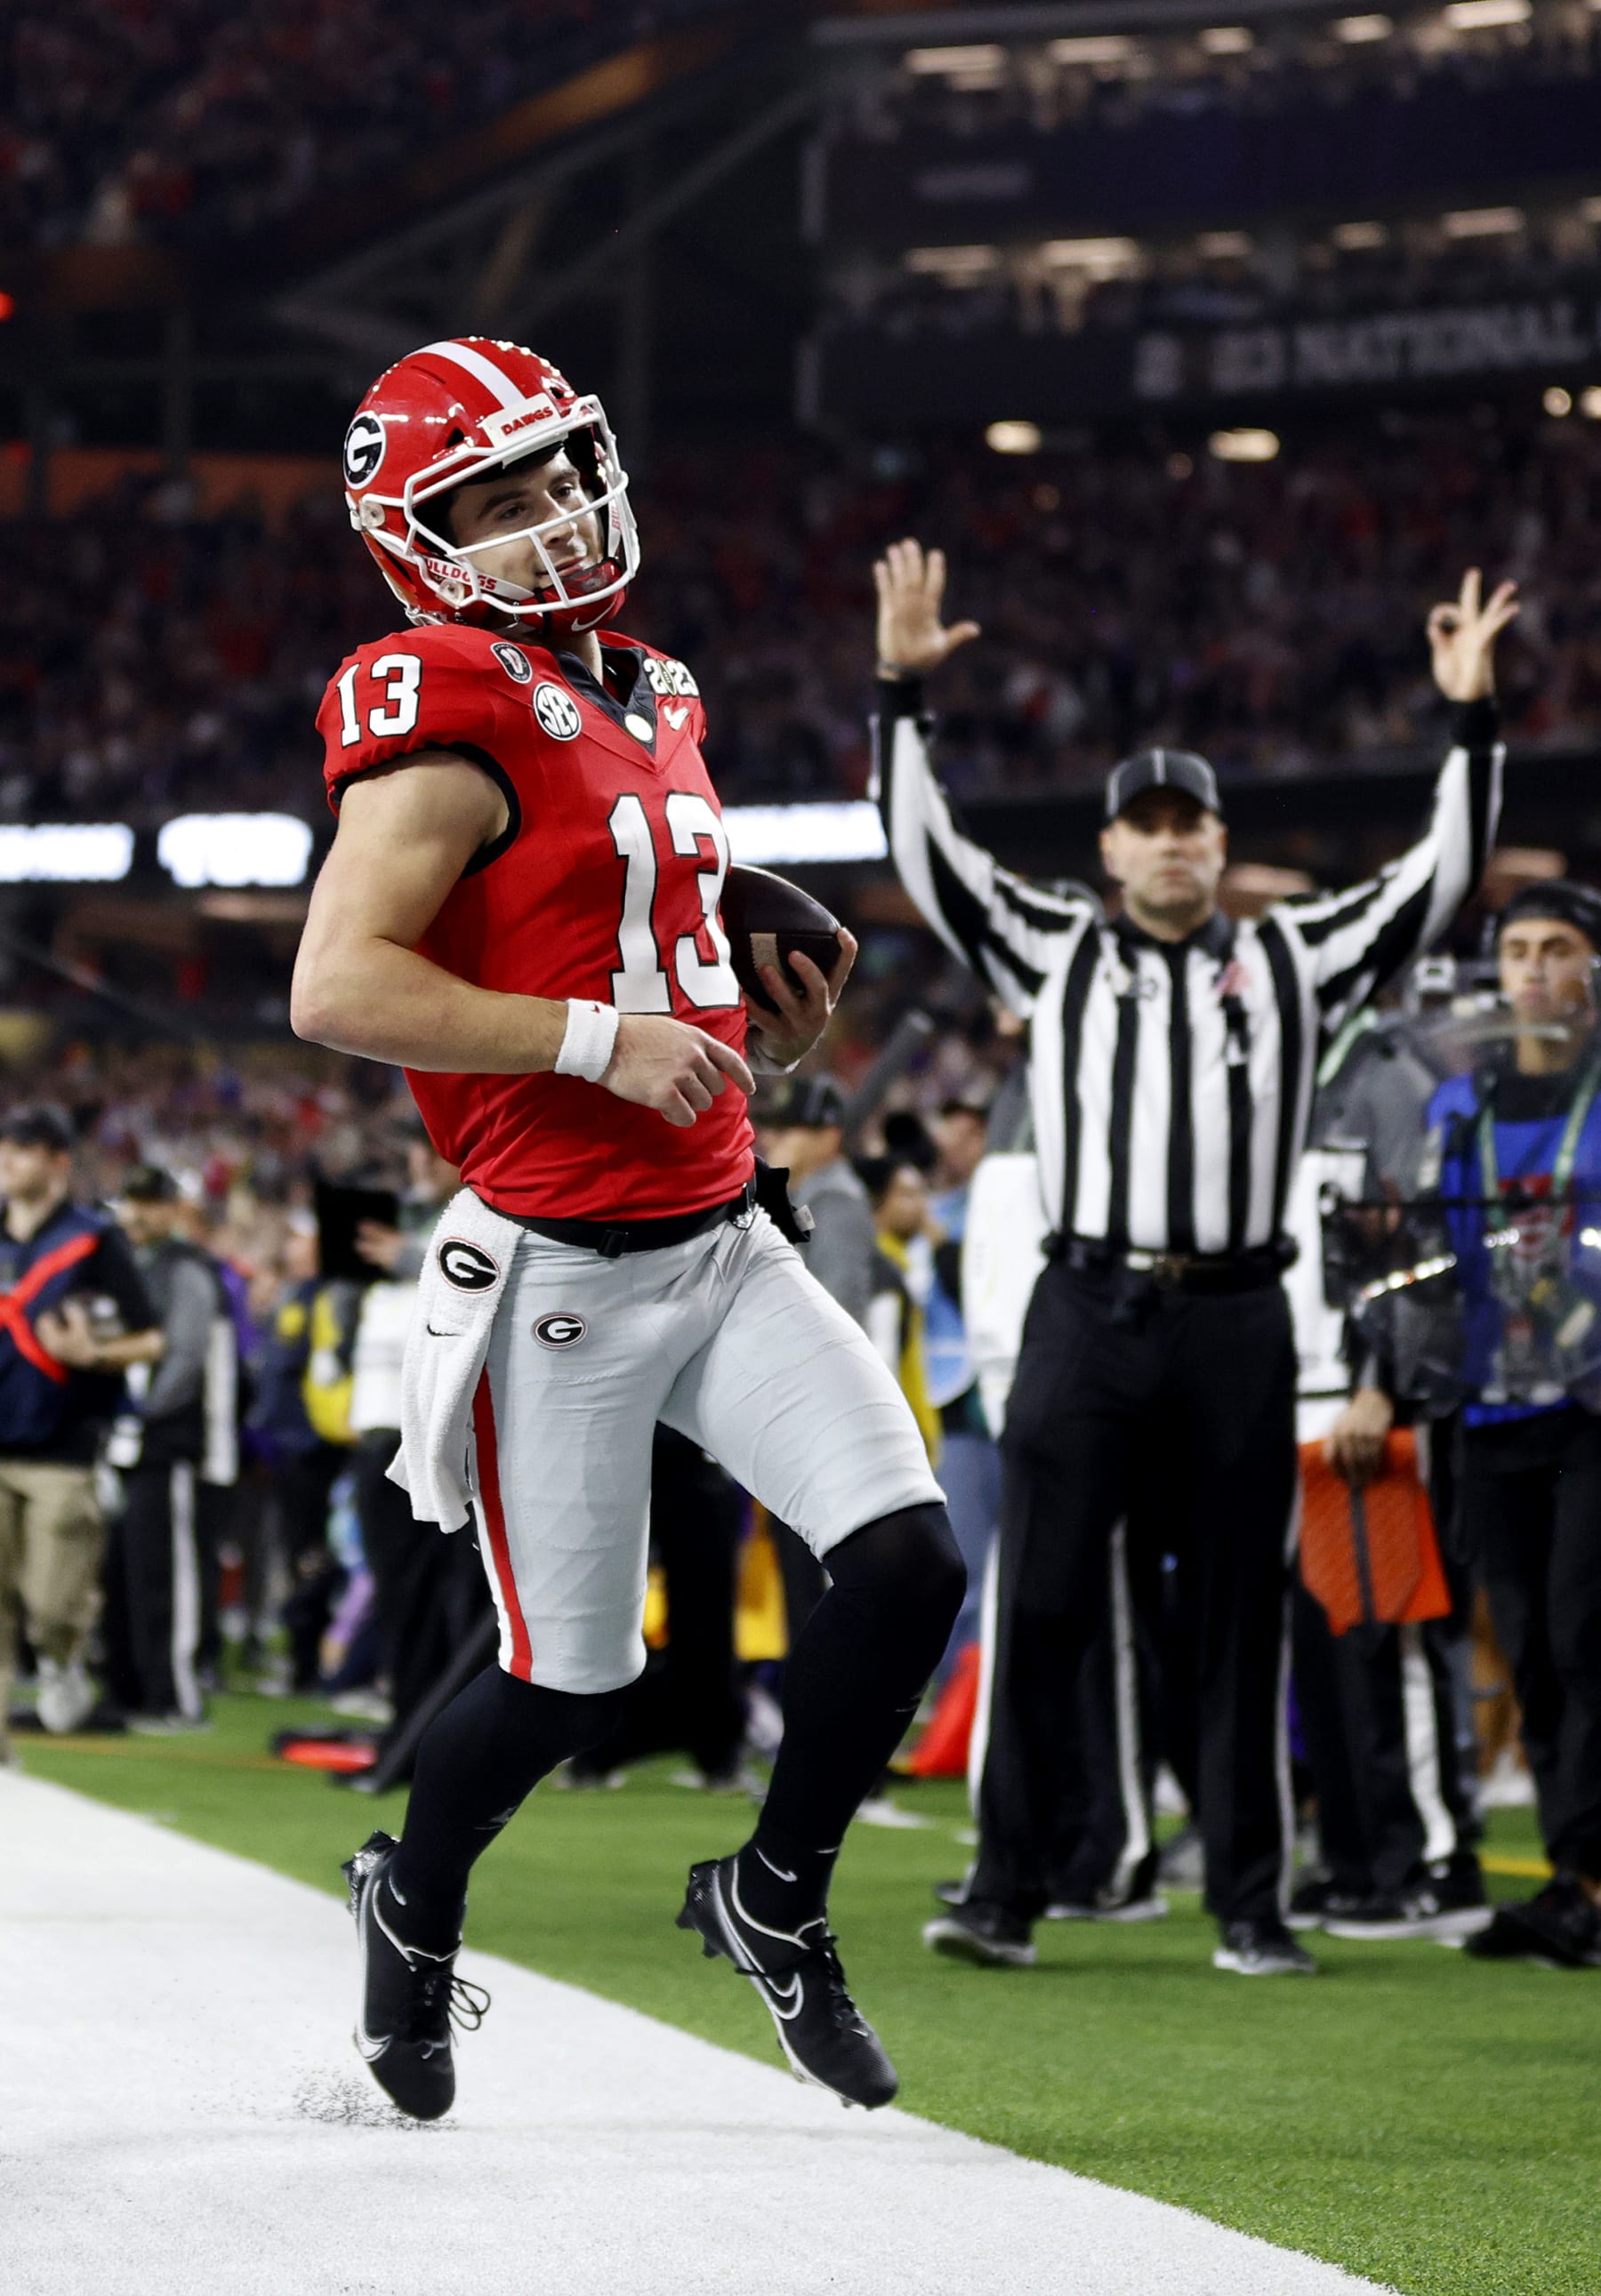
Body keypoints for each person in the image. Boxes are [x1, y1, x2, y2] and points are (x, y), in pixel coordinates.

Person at [292, 336, 961, 2119]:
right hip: (556, 1276)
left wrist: (743, 998)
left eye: (559, 470)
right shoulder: (432, 685)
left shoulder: (648, 681)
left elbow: (617, 910)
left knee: (906, 1560)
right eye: (492, 499)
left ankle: (772, 1896)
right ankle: (413, 1900)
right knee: (572, 1677)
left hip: (724, 1234)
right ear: (413, 539)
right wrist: (600, 1037)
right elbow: (339, 980)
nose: (550, 516)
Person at [873, 540, 1513, 1976]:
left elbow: (1441, 875)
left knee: (1239, 1616)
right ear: (1109, 848)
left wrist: (1470, 717)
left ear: (1220, 847)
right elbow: (930, 856)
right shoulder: (1053, 947)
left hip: (1236, 1317)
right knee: (1037, 1598)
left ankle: (1248, 1900)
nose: (1170, 841)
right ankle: (1009, 1885)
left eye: (1191, 824)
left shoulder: (1295, 955)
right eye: (1145, 824)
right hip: (1087, 1303)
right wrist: (900, 694)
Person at [1420, 883, 1601, 1968]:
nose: (1534, 969)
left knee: (1586, 1636)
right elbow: (1428, 1256)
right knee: (1528, 1649)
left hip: (1591, 1401)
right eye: (1519, 950)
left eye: (1559, 949)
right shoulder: (1463, 1106)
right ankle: (1570, 1876)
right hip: (1488, 1402)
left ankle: (1587, 1878)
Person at [0, 1107, 160, 1756]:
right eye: (6, 1147)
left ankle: (63, 1656)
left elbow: (151, 1337)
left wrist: (93, 1356)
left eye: (25, 1149)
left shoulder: (93, 1240)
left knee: (50, 1601)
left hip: (62, 1446)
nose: (10, 1159)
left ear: (59, 1159)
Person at [104, 1164, 237, 1732]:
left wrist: (142, 1414)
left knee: (169, 1575)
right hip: (130, 1440)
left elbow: (184, 1358)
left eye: (148, 1203)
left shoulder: (185, 1267)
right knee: (126, 1571)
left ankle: (176, 1695)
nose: (136, 1214)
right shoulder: (132, 1262)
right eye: (129, 1202)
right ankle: (131, 1690)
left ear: (171, 1209)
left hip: (172, 1442)